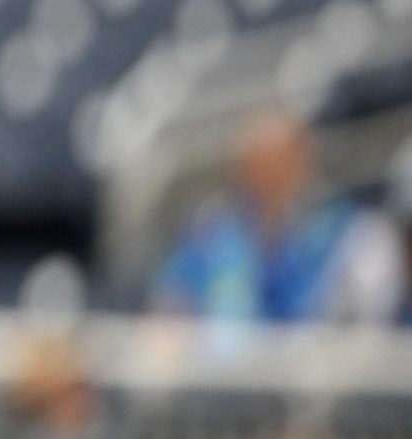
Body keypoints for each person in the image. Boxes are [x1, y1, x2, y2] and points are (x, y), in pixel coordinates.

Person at [151, 109, 400, 324]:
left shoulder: (345, 230)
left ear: (301, 162)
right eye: (255, 164)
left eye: (277, 163)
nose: (265, 177)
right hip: (216, 373)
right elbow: (174, 297)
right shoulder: (211, 230)